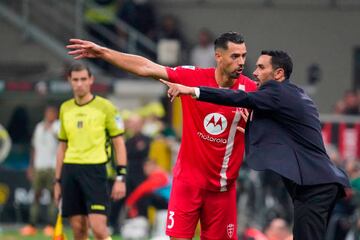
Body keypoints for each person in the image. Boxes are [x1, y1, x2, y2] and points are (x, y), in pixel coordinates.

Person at [67, 31, 257, 240]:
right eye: (235, 56)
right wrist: (103, 52)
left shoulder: (251, 92)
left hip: (223, 191)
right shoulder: (193, 77)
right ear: (218, 57)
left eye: (244, 56)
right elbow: (147, 67)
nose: (241, 62)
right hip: (188, 184)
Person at [161, 50, 350, 240]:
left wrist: (194, 90)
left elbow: (240, 97)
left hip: (315, 186)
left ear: (278, 74)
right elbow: (286, 136)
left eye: (261, 67)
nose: (254, 72)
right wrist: (251, 129)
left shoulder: (277, 91)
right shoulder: (292, 96)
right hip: (318, 184)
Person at [54, 63, 127, 240]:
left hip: (96, 171)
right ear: (69, 81)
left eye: (83, 79)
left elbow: (119, 144)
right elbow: (62, 146)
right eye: (75, 79)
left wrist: (120, 178)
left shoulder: (106, 107)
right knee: (78, 229)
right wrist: (57, 180)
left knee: (99, 229)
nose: (79, 84)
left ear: (91, 80)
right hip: (70, 171)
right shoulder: (65, 108)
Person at [20, 105, 59, 237]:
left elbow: (63, 145)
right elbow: (34, 148)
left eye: (51, 113)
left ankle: (51, 226)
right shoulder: (39, 127)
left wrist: (52, 130)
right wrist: (31, 166)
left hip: (52, 167)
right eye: (47, 113)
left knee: (53, 196)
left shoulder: (59, 127)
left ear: (55, 115)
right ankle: (32, 225)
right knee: (36, 195)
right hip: (39, 167)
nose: (49, 115)